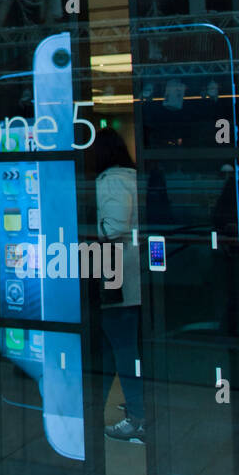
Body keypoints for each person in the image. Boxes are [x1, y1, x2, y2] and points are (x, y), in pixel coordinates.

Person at [94, 127, 145, 444]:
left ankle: (137, 417)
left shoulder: (111, 180)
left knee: (122, 349)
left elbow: (114, 226)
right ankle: (136, 407)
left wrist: (85, 225)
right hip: (134, 275)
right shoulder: (133, 176)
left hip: (116, 275)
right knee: (123, 347)